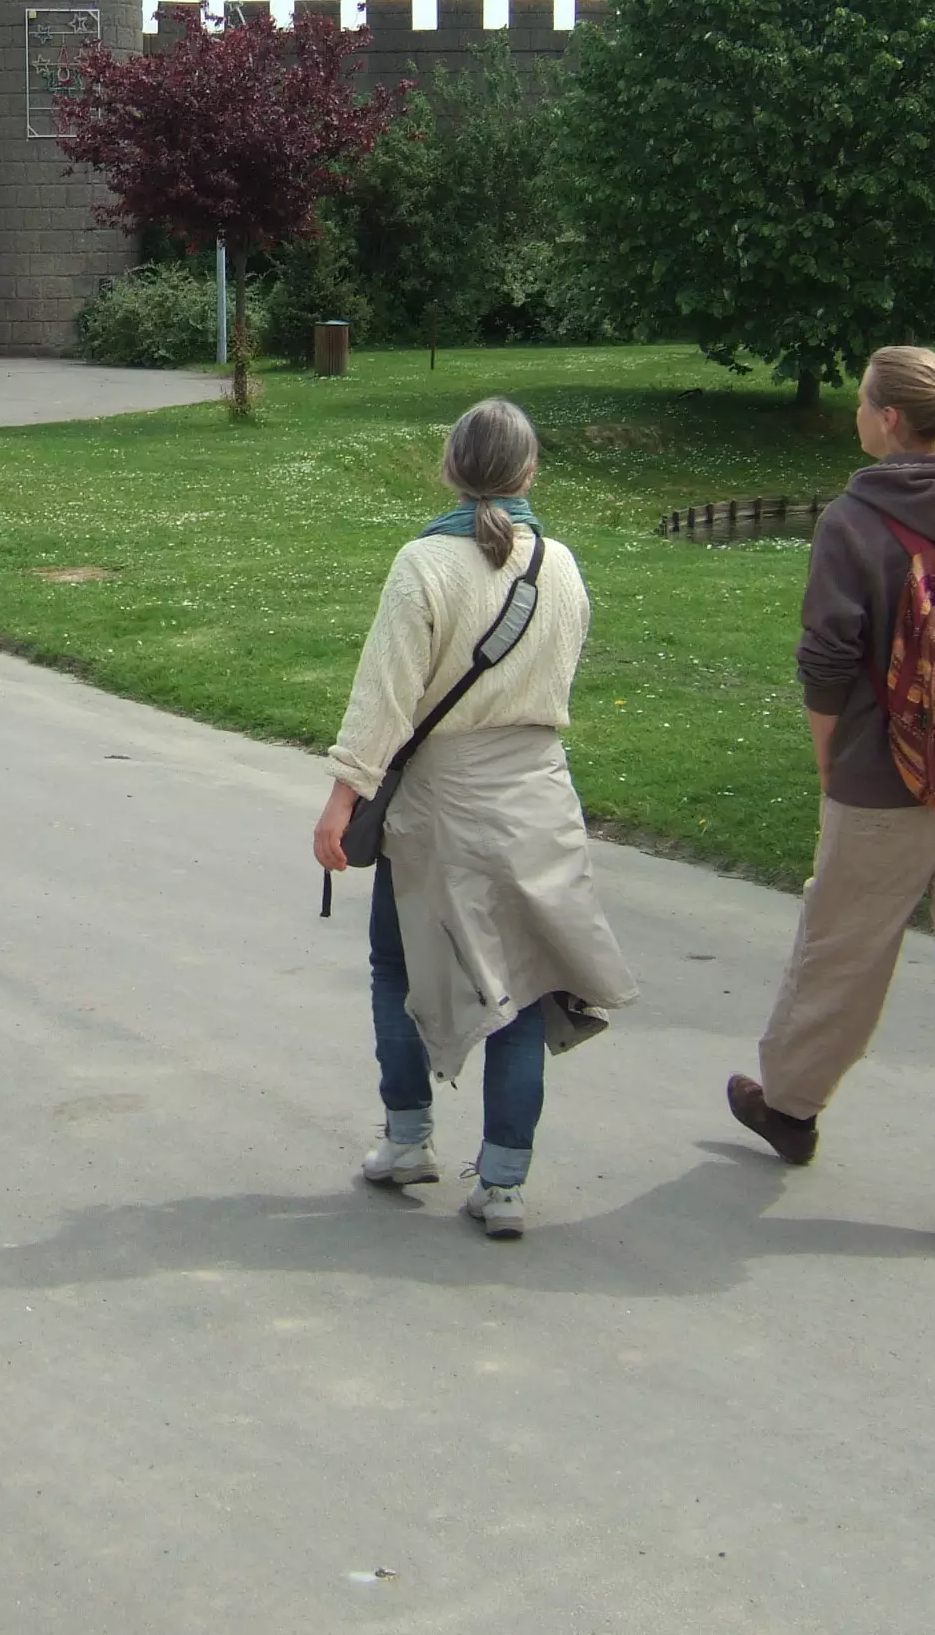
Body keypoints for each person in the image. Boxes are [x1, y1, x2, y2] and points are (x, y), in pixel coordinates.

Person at [726, 346, 935, 1254]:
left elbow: (827, 659)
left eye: (863, 402)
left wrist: (832, 762)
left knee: (841, 951)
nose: (856, 413)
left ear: (887, 421)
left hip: (884, 782)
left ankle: (790, 1107)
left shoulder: (854, 519)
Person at [312, 398, 638, 1241]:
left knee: (399, 967)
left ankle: (408, 1136)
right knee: (523, 993)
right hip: (536, 796)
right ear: (530, 473)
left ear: (450, 468)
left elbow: (383, 698)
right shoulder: (560, 565)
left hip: (441, 801)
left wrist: (342, 800)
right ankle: (503, 1184)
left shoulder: (423, 563)